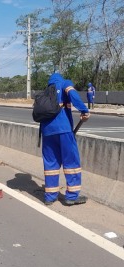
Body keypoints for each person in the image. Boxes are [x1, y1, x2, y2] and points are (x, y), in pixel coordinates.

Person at [41, 73, 90, 206]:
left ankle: (50, 196)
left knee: (51, 164)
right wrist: (84, 110)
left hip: (46, 132)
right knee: (71, 161)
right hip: (63, 130)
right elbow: (73, 95)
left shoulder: (46, 90)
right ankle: (72, 196)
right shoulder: (64, 83)